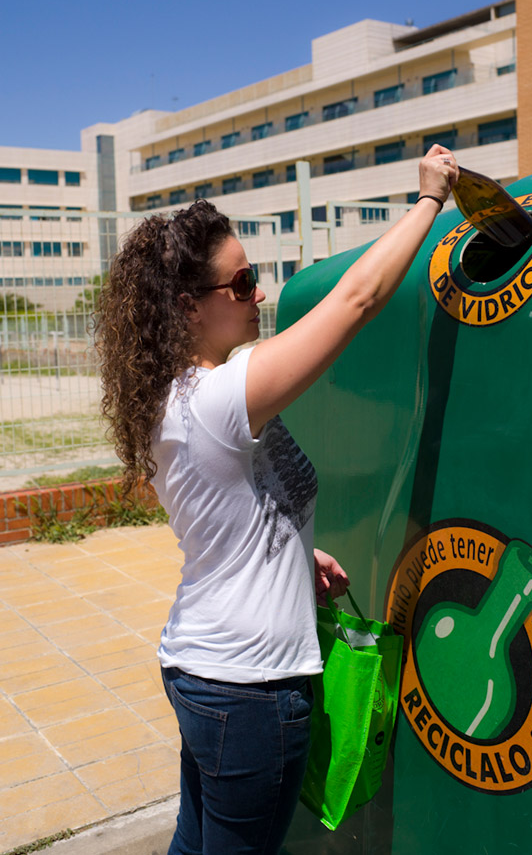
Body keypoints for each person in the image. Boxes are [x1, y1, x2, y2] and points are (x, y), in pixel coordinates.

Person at [95, 144, 458, 855]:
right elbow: (357, 301)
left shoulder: (181, 396)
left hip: (204, 668)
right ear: (186, 306)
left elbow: (229, 515)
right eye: (244, 282)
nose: (260, 293)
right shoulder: (224, 396)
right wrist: (428, 201)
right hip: (251, 690)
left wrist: (295, 556)